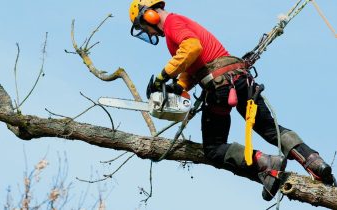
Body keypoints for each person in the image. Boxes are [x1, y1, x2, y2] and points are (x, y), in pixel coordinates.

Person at [129, 0, 336, 201]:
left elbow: (192, 48)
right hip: (240, 80)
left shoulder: (173, 23)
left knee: (213, 148)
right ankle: (314, 161)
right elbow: (193, 64)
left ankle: (266, 163)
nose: (147, 32)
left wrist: (162, 76)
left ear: (149, 14)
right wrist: (179, 86)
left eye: (143, 27)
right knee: (268, 128)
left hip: (221, 87)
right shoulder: (180, 24)